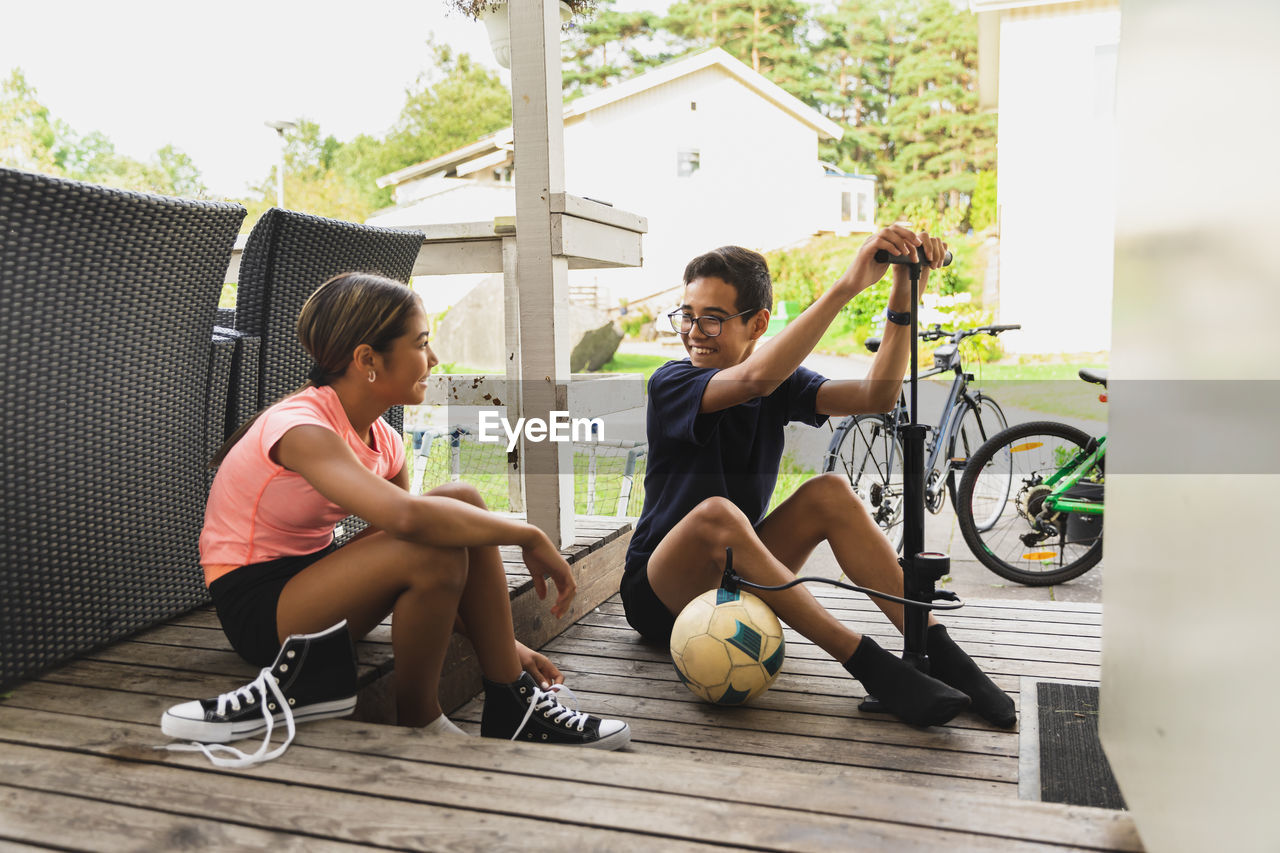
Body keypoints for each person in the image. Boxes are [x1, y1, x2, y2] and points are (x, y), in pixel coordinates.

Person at [162, 272, 630, 762]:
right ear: (367, 359)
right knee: (429, 533)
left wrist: (502, 644)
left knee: (461, 498)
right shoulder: (301, 429)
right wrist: (527, 534)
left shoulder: (381, 438)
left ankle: (510, 702)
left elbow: (420, 541)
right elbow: (408, 525)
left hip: (322, 591)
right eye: (421, 343)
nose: (433, 359)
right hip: (263, 611)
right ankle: (420, 720)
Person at [621, 228, 1016, 729]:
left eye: (714, 320)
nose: (695, 331)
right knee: (717, 515)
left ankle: (937, 645)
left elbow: (876, 397)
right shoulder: (672, 382)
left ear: (758, 323)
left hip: (734, 573)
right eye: (688, 316)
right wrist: (846, 287)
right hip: (660, 593)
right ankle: (871, 666)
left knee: (828, 492)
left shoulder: (778, 383)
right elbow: (751, 381)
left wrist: (903, 290)